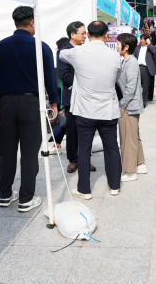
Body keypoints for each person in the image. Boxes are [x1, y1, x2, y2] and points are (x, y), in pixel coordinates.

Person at [0, 6, 59, 213]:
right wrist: (54, 102)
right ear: (32, 22)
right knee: (29, 152)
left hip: (6, 103)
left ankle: (5, 194)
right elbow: (50, 79)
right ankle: (26, 198)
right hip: (32, 104)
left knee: (6, 151)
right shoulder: (41, 47)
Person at [59, 21, 122, 199]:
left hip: (85, 110)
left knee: (84, 149)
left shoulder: (77, 52)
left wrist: (75, 41)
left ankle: (84, 190)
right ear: (106, 35)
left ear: (87, 35)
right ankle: (115, 186)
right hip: (108, 110)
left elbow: (61, 54)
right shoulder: (115, 56)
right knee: (112, 148)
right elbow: (116, 78)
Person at [57, 22, 97, 173]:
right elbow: (65, 75)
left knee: (87, 129)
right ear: (72, 34)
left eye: (86, 33)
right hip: (72, 96)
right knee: (72, 130)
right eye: (83, 33)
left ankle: (85, 159)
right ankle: (73, 159)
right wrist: (84, 83)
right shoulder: (63, 52)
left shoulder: (87, 51)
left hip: (87, 97)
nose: (85, 36)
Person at [116, 33, 147, 182]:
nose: (116, 46)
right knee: (134, 136)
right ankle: (140, 164)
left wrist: (122, 105)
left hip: (129, 106)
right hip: (129, 105)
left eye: (118, 43)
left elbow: (130, 87)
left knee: (128, 138)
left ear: (126, 47)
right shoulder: (126, 61)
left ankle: (130, 171)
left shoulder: (131, 62)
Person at [133, 34, 156, 107]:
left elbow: (154, 51)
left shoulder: (150, 47)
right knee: (136, 85)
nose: (141, 40)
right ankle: (136, 100)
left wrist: (149, 43)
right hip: (137, 67)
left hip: (146, 69)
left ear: (146, 40)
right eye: (140, 39)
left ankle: (144, 102)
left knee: (145, 86)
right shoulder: (137, 47)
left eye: (142, 39)